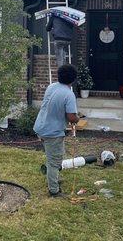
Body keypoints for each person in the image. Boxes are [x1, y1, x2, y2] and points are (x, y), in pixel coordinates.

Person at [33, 64, 80, 197]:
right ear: (73, 79)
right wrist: (77, 119)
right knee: (54, 162)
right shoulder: (69, 94)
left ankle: (53, 178)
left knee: (55, 156)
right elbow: (71, 117)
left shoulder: (51, 86)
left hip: (41, 126)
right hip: (52, 132)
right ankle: (54, 190)